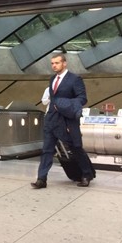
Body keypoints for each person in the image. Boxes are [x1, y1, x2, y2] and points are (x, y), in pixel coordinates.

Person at [31, 54, 94, 189]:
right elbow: (52, 99)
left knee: (75, 147)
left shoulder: (75, 79)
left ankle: (86, 174)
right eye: (52, 63)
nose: (54, 65)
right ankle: (41, 179)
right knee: (47, 149)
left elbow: (82, 98)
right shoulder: (53, 79)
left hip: (67, 120)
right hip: (52, 119)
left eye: (57, 63)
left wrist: (64, 104)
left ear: (64, 63)